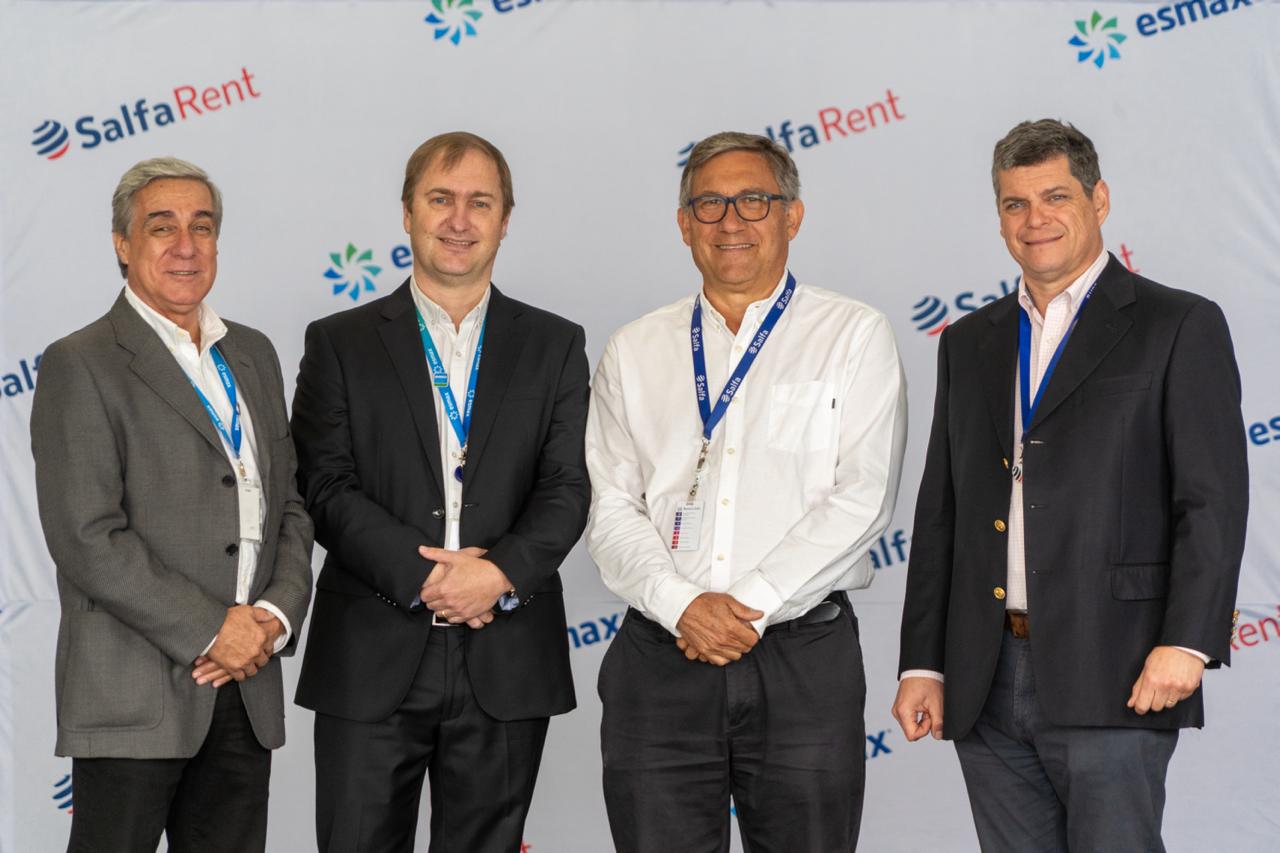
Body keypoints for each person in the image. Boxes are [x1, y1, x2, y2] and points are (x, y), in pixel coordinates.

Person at [892, 118, 1249, 852]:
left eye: (1055, 197)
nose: (1035, 219)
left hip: (1117, 664)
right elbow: (942, 511)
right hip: (984, 673)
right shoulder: (968, 341)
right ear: (999, 217)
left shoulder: (1178, 324)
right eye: (1015, 203)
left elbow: (1211, 500)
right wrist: (924, 661)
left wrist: (1187, 641)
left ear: (1099, 200)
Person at [586, 131, 907, 853]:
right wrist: (683, 606)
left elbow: (862, 497)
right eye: (710, 204)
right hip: (662, 654)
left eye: (754, 201)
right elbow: (610, 505)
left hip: (802, 657)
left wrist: (747, 607)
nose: (730, 221)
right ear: (684, 224)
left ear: (792, 215)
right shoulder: (634, 349)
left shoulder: (853, 335)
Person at [291, 131, 590, 852]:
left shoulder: (555, 344)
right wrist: (428, 577)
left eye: (480, 202)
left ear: (505, 219)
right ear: (407, 213)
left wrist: (497, 573)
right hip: (370, 650)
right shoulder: (339, 342)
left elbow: (567, 487)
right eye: (440, 199)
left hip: (506, 649)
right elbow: (323, 484)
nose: (459, 219)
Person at [29, 157, 314, 853]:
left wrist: (273, 618)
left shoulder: (254, 353)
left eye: (202, 226)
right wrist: (215, 629)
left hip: (246, 689)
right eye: (162, 227)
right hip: (135, 694)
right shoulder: (81, 362)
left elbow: (290, 504)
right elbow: (87, 536)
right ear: (123, 244)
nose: (186, 245)